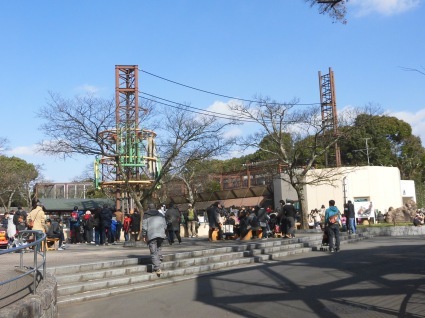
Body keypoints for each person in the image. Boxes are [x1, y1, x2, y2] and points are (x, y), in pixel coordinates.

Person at [142, 203, 167, 277]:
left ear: (148, 208)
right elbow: (165, 225)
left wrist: (144, 235)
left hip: (152, 234)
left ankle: (157, 268)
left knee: (153, 252)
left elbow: (144, 227)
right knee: (158, 248)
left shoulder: (146, 215)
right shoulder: (160, 214)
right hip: (161, 234)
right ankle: (159, 260)